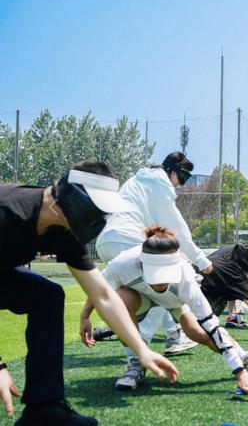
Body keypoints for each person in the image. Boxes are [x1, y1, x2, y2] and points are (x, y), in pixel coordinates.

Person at [0, 162, 178, 426]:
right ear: (74, 196)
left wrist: (142, 350)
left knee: (47, 296)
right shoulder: (8, 211)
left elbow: (103, 295)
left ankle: (44, 408)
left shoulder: (62, 232)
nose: (98, 218)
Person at [79, 226, 248, 393]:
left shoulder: (186, 278)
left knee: (198, 333)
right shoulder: (123, 264)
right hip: (139, 297)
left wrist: (239, 372)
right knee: (118, 301)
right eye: (155, 274)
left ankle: (246, 360)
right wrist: (85, 317)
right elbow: (100, 290)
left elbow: (212, 326)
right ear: (141, 263)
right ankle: (135, 364)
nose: (160, 282)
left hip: (175, 301)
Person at [95, 151, 210, 355]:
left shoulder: (137, 180)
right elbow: (177, 228)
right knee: (158, 284)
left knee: (154, 285)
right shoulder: (160, 184)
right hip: (128, 239)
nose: (180, 184)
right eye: (181, 178)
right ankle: (142, 348)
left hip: (106, 241)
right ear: (169, 171)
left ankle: (175, 335)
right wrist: (201, 260)